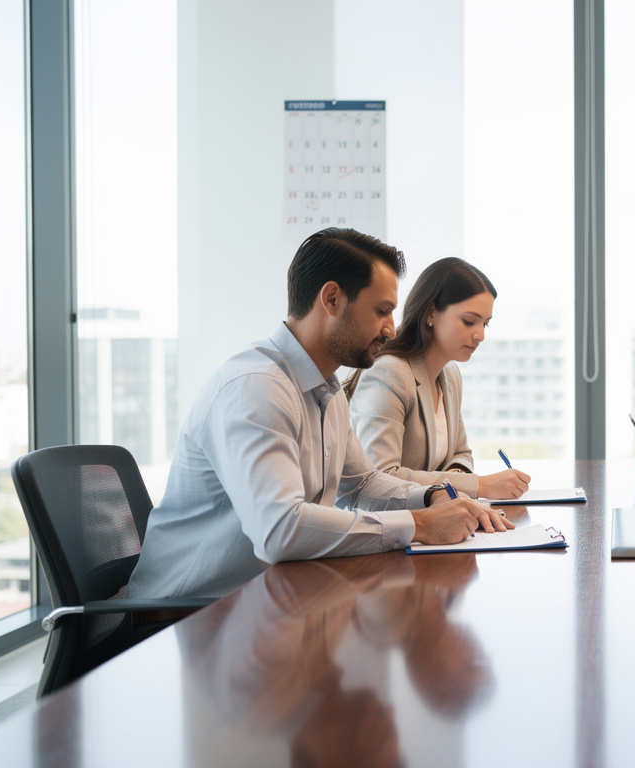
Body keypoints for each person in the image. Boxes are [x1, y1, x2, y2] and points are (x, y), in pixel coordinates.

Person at [128, 228, 513, 600]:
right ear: (331, 300)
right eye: (381, 311)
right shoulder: (257, 387)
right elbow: (280, 530)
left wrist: (431, 498)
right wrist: (418, 524)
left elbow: (361, 486)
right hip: (187, 614)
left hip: (268, 598)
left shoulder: (326, 390)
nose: (391, 330)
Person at [344, 257, 530, 499]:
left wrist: (452, 481)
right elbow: (382, 477)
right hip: (388, 520)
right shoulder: (389, 374)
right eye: (469, 321)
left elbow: (462, 454)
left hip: (436, 516)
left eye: (485, 324)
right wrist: (478, 485)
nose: (480, 335)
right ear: (431, 312)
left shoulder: (450, 375)